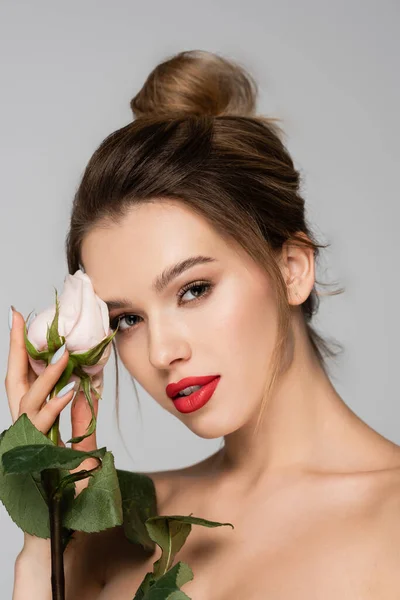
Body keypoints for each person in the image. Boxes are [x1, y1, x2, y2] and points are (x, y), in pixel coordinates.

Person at [7, 49, 400, 599]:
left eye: (194, 290)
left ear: (292, 269)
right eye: (127, 319)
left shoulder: (391, 523)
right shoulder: (110, 529)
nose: (163, 350)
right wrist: (43, 537)